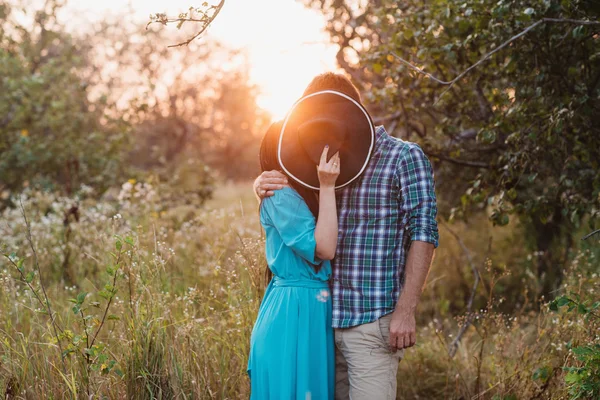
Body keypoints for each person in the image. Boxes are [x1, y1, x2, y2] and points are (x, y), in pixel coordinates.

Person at [254, 73, 439, 400]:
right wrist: (261, 186)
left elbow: (424, 233)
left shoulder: (402, 157)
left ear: (351, 111)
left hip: (370, 321)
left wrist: (406, 310)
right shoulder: (312, 164)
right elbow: (293, 212)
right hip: (321, 325)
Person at [247, 121, 341, 399]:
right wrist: (326, 185)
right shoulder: (280, 194)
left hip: (311, 307)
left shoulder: (302, 192)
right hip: (294, 309)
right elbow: (324, 248)